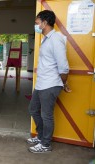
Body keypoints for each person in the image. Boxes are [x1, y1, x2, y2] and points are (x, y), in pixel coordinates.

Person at [27, 10, 71, 153]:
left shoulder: (56, 39)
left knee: (47, 115)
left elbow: (63, 67)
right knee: (33, 109)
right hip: (42, 83)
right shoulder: (46, 39)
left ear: (45, 23)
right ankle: (41, 136)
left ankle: (45, 144)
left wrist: (63, 83)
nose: (36, 25)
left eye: (37, 23)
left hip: (51, 84)